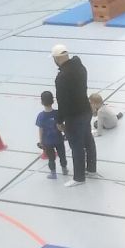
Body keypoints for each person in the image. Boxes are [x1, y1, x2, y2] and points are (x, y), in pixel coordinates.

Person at [52, 44, 96, 187]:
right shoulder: (81, 67)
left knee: (76, 145)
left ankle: (79, 177)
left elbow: (62, 102)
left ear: (57, 58)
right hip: (86, 110)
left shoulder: (62, 77)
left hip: (74, 115)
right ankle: (91, 169)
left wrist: (59, 120)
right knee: (88, 140)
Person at [36, 91, 68, 179]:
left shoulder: (41, 116)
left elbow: (41, 130)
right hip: (59, 139)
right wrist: (65, 133)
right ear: (53, 101)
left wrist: (41, 141)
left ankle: (53, 174)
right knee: (62, 155)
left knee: (51, 158)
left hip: (48, 141)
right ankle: (64, 169)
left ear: (42, 102)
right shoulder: (57, 113)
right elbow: (61, 126)